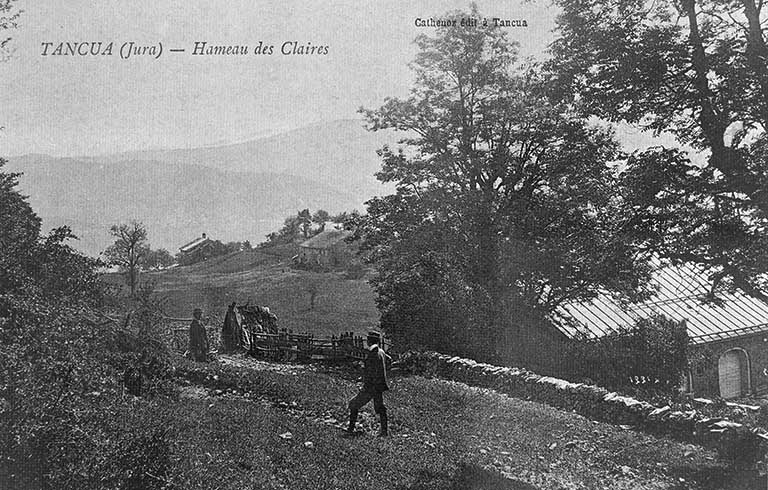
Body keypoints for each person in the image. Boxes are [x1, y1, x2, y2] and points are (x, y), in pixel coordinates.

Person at [347, 331, 391, 436]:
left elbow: (369, 370)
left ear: (369, 341)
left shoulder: (373, 353)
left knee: (353, 404)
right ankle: (384, 432)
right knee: (380, 408)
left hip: (371, 386)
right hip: (379, 385)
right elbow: (389, 360)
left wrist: (359, 367)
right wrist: (383, 372)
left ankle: (350, 429)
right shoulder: (381, 351)